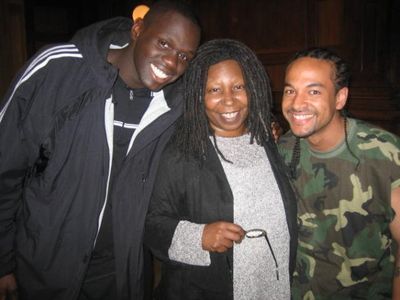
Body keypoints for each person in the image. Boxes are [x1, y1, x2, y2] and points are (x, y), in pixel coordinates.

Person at [0, 0, 201, 299]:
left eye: (184, 56)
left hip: (121, 275)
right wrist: (3, 260)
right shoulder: (59, 71)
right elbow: (6, 167)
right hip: (43, 268)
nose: (171, 63)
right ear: (137, 29)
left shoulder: (176, 107)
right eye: (163, 43)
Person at [144, 39, 298, 299]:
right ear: (198, 96)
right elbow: (150, 224)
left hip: (273, 287)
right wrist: (198, 236)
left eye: (238, 87)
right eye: (214, 90)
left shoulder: (270, 143)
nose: (229, 100)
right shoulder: (180, 154)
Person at [278, 47, 400, 299]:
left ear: (340, 98)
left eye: (313, 91)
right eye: (290, 90)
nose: (296, 103)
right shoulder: (284, 149)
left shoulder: (383, 153)